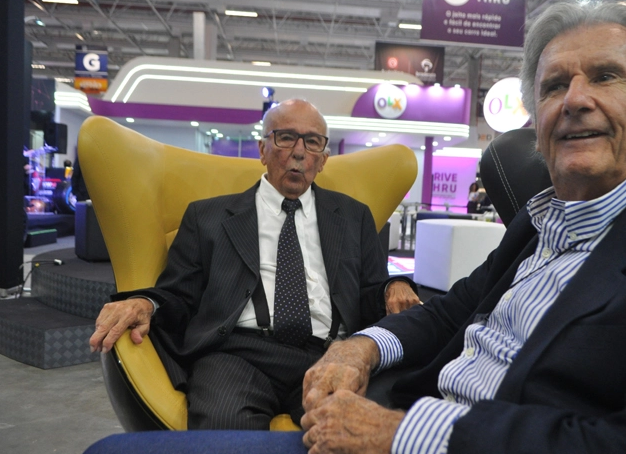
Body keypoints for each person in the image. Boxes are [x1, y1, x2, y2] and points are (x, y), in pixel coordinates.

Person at [68, 2, 626, 454]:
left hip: (448, 449)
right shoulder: (540, 222)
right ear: (263, 146)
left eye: (606, 76)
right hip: (250, 356)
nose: (575, 100)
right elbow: (456, 311)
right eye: (555, 85)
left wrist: (385, 358)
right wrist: (145, 302)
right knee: (170, 444)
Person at [88, 98, 418, 430]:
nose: (299, 152)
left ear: (323, 159)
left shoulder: (352, 217)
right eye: (286, 137)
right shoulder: (208, 217)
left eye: (313, 141)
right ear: (262, 149)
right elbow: (179, 294)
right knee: (225, 430)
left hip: (332, 353)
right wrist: (145, 302)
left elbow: (372, 290)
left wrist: (395, 286)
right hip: (238, 354)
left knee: (357, 433)